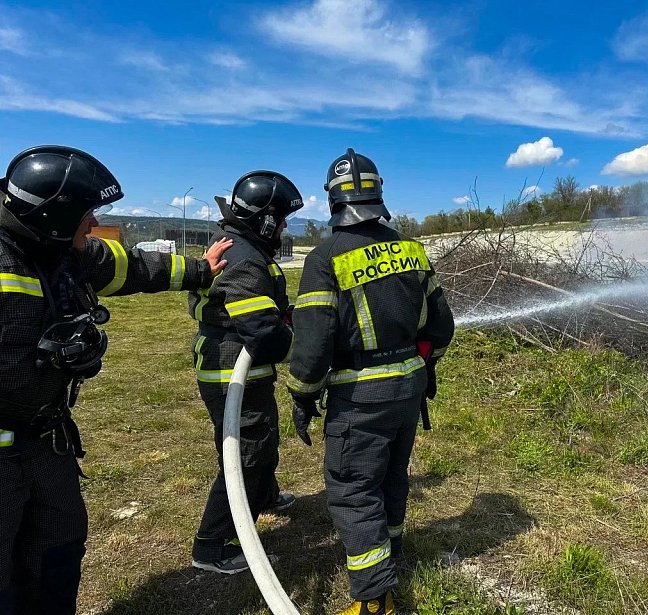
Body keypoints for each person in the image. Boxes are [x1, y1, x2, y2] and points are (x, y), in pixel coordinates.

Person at [0, 145, 231, 614]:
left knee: (59, 550)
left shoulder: (62, 249)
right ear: (54, 217)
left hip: (46, 440)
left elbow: (131, 268)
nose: (93, 223)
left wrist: (200, 270)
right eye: (86, 214)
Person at [287, 148, 454, 615]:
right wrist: (427, 366)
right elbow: (441, 327)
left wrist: (302, 395)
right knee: (390, 478)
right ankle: (390, 557)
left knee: (352, 488)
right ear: (378, 194)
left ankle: (374, 600)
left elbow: (314, 342)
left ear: (332, 200)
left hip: (360, 395)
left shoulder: (324, 258)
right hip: (408, 387)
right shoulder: (411, 249)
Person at [188, 170, 303, 574]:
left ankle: (264, 496)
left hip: (243, 368)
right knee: (247, 452)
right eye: (283, 218)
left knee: (262, 439)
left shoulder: (244, 248)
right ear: (267, 220)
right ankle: (211, 545)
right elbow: (262, 332)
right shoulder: (244, 257)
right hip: (231, 372)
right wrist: (306, 350)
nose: (285, 226)